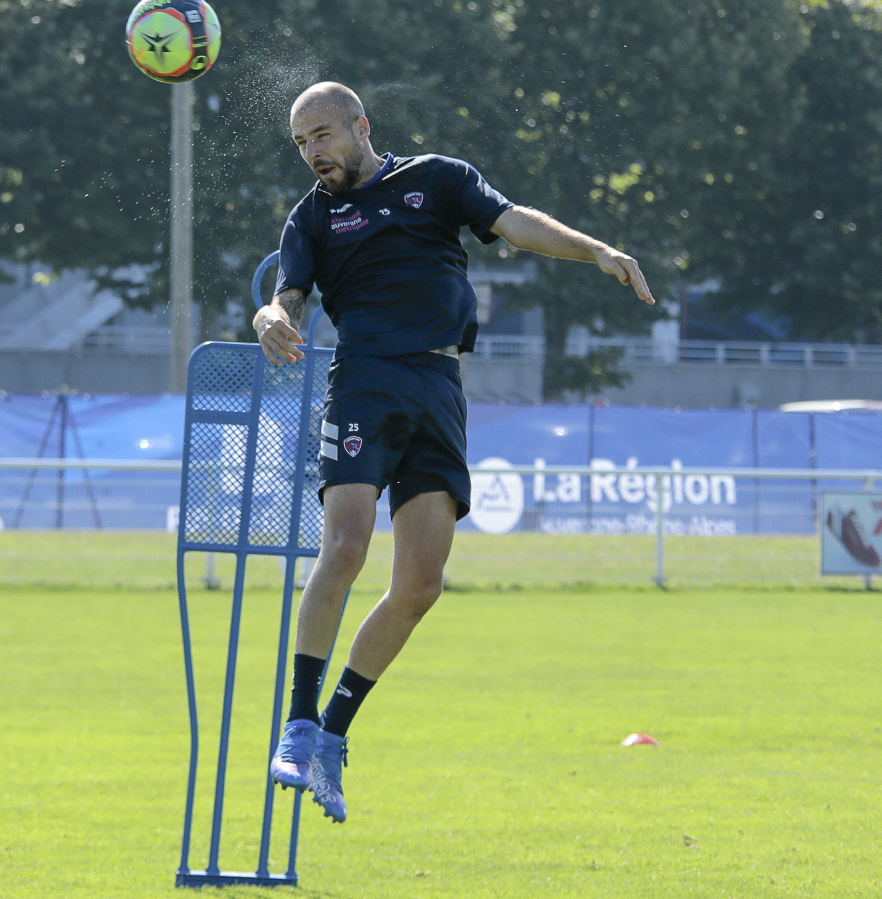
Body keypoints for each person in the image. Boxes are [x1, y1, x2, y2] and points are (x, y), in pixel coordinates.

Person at [256, 82, 654, 823]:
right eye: (301, 143)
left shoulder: (437, 178)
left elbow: (515, 222)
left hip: (439, 386)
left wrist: (596, 250)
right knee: (346, 547)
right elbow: (289, 298)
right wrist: (268, 316)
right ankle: (299, 725)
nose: (313, 153)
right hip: (365, 381)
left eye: (322, 135)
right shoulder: (311, 217)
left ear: (361, 126)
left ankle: (333, 735)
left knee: (420, 584)